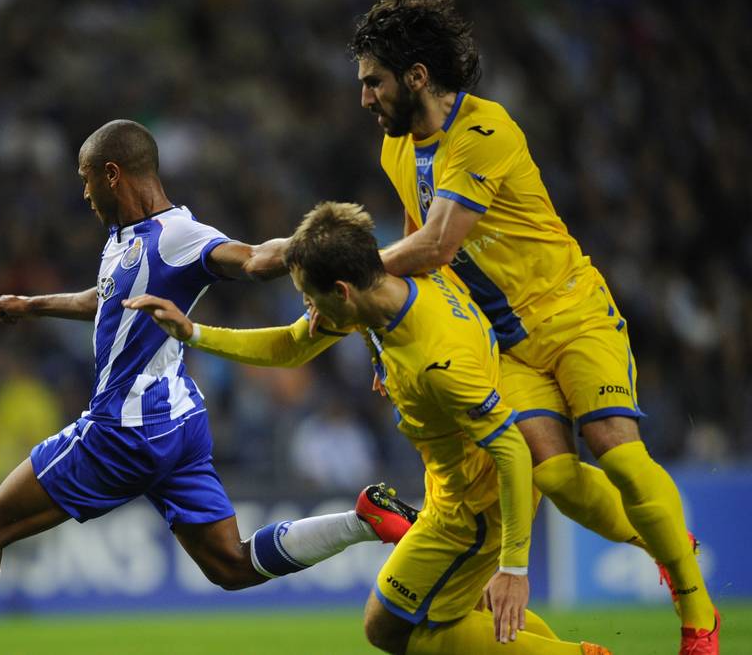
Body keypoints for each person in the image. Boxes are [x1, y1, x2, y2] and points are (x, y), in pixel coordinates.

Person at [0, 120, 417, 655]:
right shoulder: (122, 241)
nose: (84, 193)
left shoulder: (179, 234)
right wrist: (33, 306)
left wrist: (320, 249)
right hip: (177, 425)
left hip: (125, 429)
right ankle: (364, 519)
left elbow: (252, 257)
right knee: (232, 565)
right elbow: (103, 299)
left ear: (112, 175)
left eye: (87, 180)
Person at [350, 0, 718, 652]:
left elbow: (437, 245)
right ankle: (658, 535)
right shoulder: (397, 151)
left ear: (416, 76)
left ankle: (695, 608)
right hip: (510, 344)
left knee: (617, 451)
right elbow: (416, 243)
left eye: (373, 81)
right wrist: (384, 337)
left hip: (570, 311)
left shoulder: (487, 131)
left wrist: (350, 269)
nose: (365, 97)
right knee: (551, 472)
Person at [127, 201, 610, 655]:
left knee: (390, 626)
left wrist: (514, 567)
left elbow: (512, 449)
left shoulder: (433, 357)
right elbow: (293, 346)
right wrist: (194, 333)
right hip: (451, 487)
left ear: (340, 291)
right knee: (456, 613)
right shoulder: (383, 286)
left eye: (309, 298)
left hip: (476, 504)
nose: (309, 312)